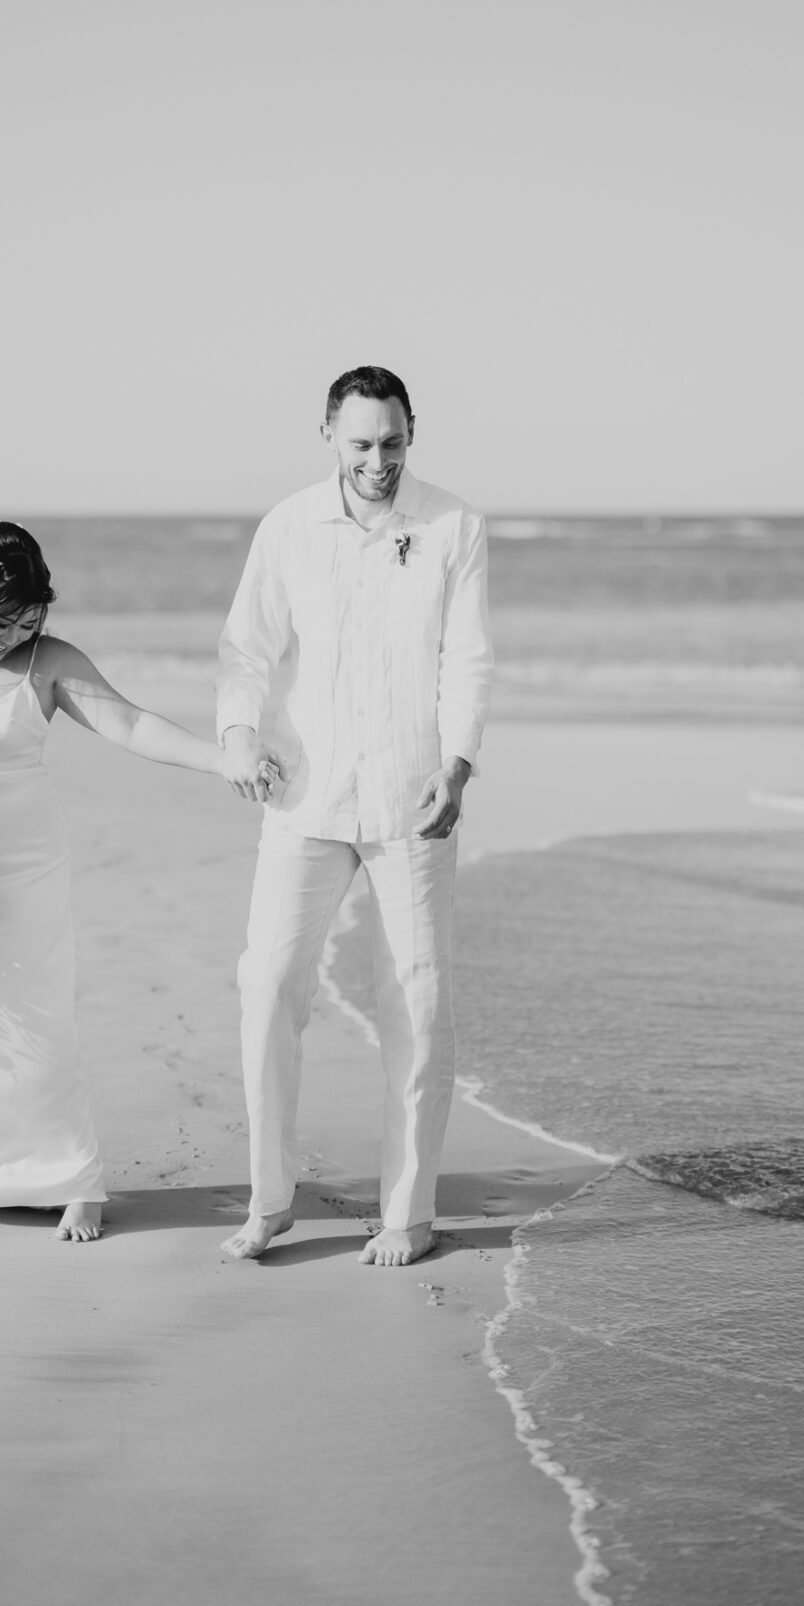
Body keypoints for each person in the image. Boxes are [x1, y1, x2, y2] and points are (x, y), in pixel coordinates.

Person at [0, 520, 240, 1240]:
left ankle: (73, 1181)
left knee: (33, 1020)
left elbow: (131, 725)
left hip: (20, 864)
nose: (8, 635)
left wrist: (223, 758)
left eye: (26, 620)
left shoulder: (49, 662)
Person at [216, 367, 494, 1266]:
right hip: (305, 794)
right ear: (329, 436)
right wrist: (236, 736)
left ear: (413, 432)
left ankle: (406, 1212)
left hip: (413, 798)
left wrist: (456, 764)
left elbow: (468, 657)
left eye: (394, 443)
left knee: (417, 997)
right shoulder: (289, 526)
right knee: (268, 987)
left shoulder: (454, 525)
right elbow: (246, 649)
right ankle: (269, 1201)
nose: (379, 461)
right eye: (362, 445)